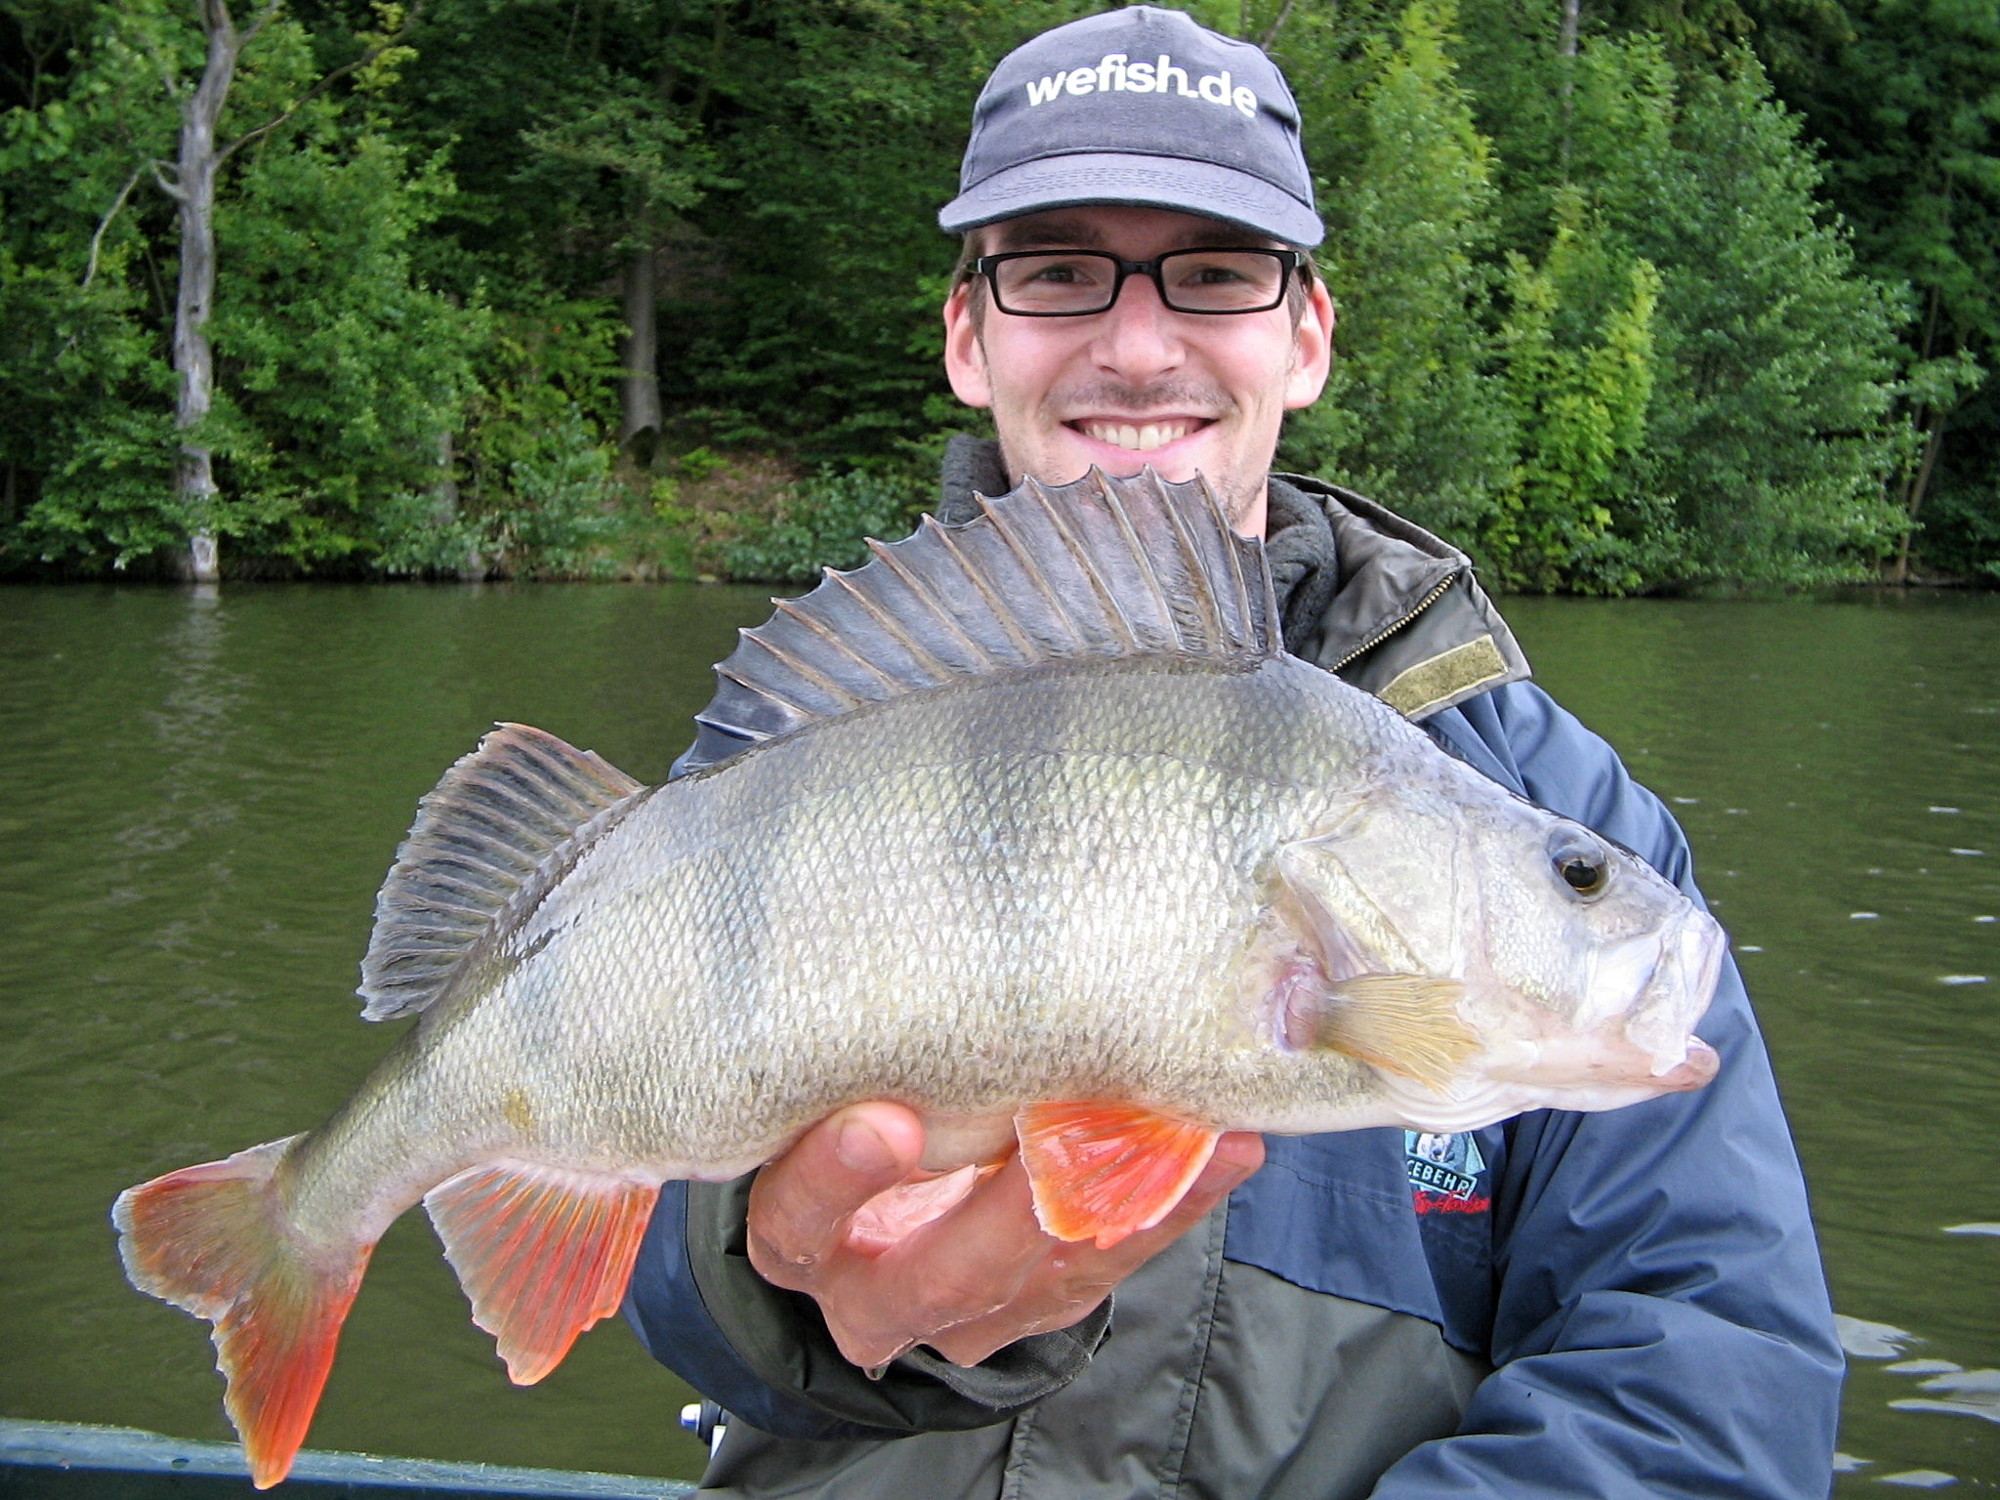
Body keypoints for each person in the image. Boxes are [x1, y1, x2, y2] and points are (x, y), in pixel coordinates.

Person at [625, 8, 1844, 1496]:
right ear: (968, 334)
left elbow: (1710, 1380)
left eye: (1214, 274)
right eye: (1059, 272)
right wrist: (774, 1287)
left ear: (1307, 334)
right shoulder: (819, 741)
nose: (1138, 347)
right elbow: (638, 1250)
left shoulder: (1560, 811)